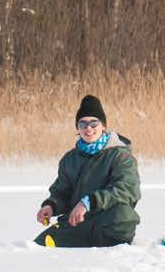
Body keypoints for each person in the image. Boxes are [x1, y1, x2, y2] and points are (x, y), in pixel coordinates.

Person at [35, 95, 140, 249]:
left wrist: (88, 202)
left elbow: (127, 190)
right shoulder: (69, 159)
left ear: (103, 126)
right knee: (39, 245)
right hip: (78, 223)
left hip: (111, 224)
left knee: (120, 215)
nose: (88, 128)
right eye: (82, 124)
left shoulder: (121, 155)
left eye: (93, 123)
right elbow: (62, 192)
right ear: (77, 128)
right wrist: (51, 206)